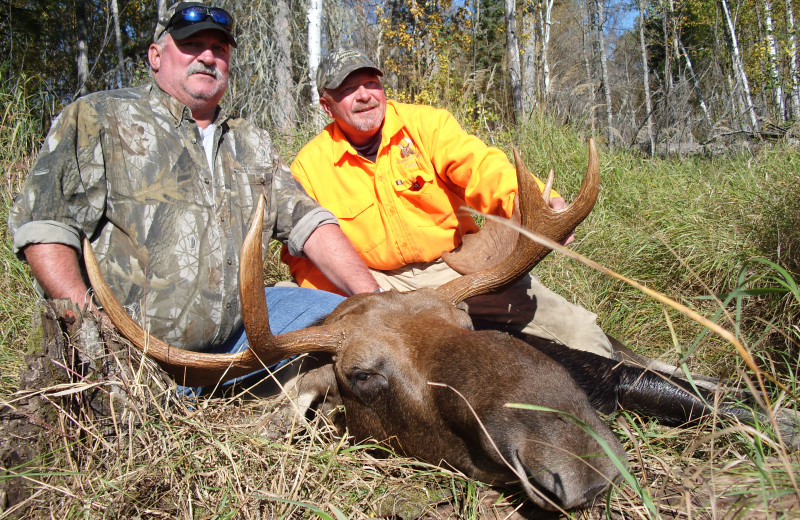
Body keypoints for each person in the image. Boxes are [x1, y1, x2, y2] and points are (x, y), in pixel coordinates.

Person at [8, 5, 381, 370]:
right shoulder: (99, 118)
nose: (207, 57)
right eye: (191, 45)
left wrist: (374, 299)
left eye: (219, 49)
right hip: (134, 356)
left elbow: (308, 223)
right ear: (156, 56)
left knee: (356, 328)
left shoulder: (250, 139)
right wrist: (93, 332)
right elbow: (46, 227)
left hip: (241, 340)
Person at [281, 47, 615, 358]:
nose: (365, 95)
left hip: (458, 269)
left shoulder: (428, 126)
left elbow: (482, 168)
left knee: (582, 337)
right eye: (348, 89)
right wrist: (359, 301)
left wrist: (535, 202)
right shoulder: (310, 166)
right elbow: (304, 259)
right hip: (378, 284)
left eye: (371, 82)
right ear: (327, 106)